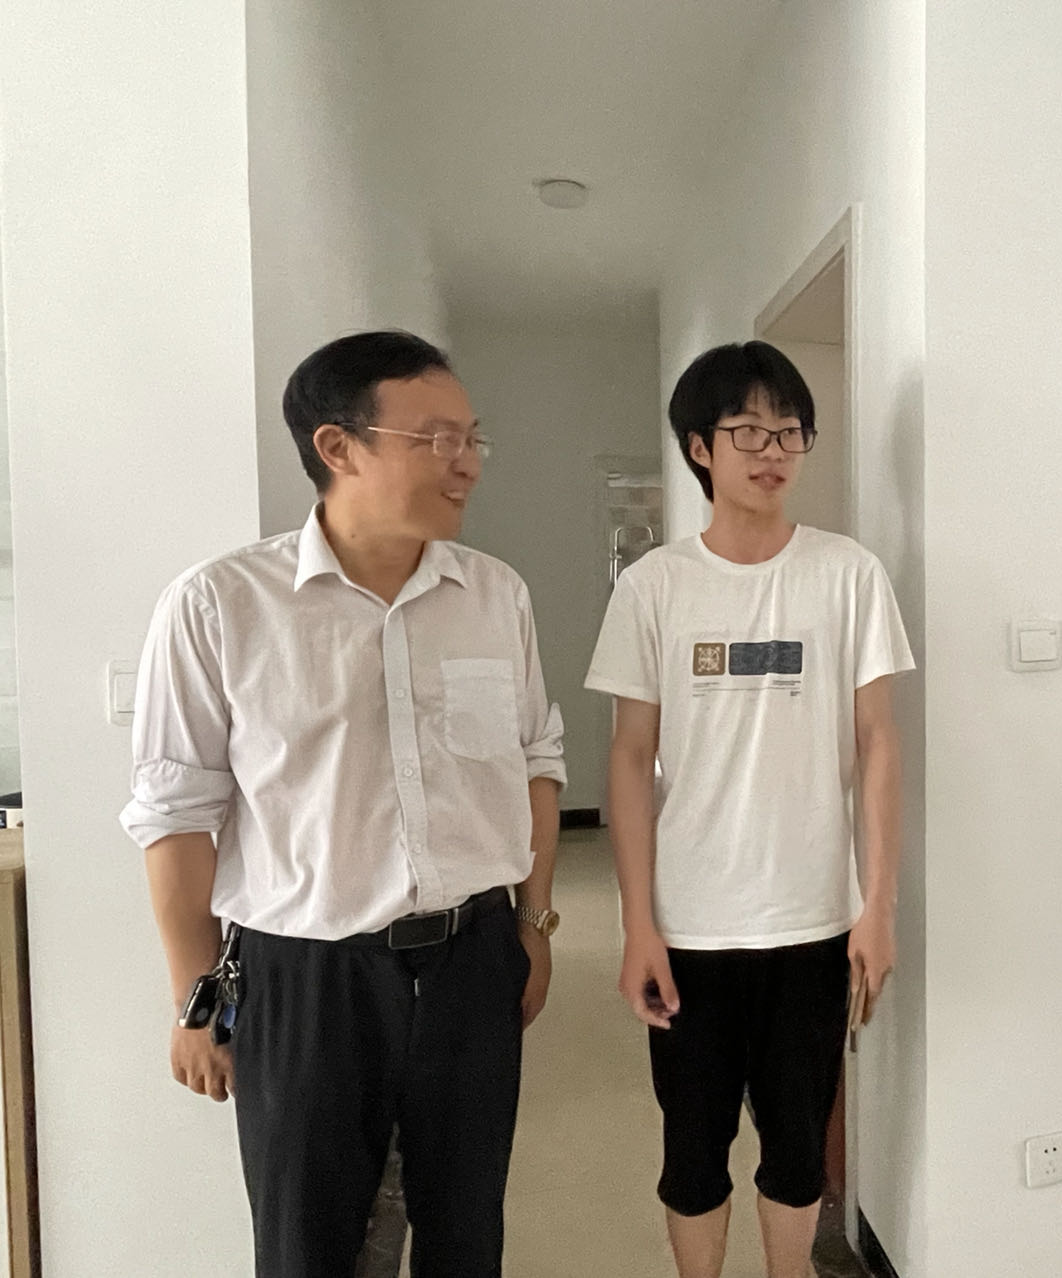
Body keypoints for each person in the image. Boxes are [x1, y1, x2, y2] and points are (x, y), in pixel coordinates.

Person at [121, 330, 566, 1278]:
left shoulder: (496, 595)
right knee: (307, 1247)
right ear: (338, 446)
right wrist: (195, 997)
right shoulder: (221, 605)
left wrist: (532, 924)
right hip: (305, 979)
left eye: (473, 438)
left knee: (466, 1236)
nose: (467, 462)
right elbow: (176, 815)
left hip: (473, 961)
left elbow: (537, 759)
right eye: (437, 439)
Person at [586, 341, 913, 1278]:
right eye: (748, 432)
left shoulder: (848, 574)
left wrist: (877, 906)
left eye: (790, 432)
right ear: (700, 447)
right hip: (690, 925)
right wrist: (637, 924)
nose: (773, 452)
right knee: (692, 1151)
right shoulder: (654, 586)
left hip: (812, 920)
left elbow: (878, 743)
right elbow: (630, 755)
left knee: (799, 1146)